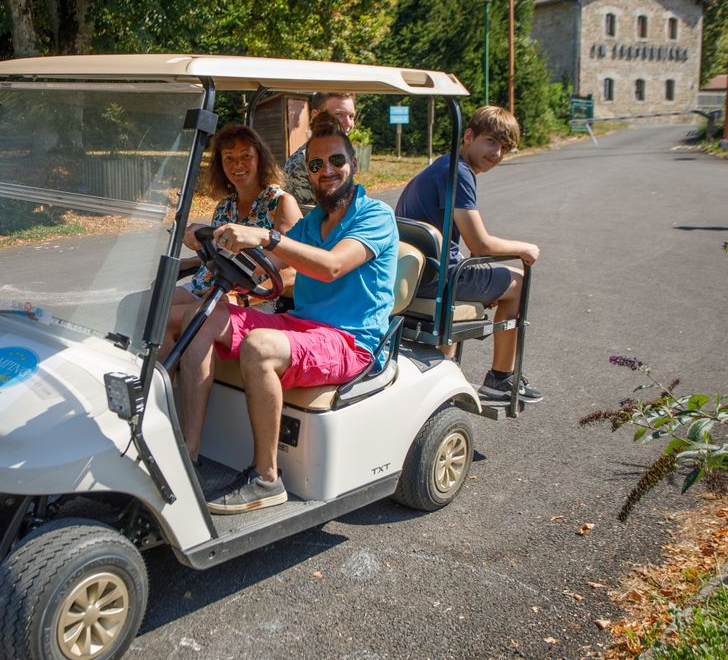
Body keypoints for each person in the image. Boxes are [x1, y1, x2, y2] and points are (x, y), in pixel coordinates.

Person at [180, 112, 398, 514]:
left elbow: (331, 266)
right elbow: (265, 262)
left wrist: (267, 235)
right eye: (316, 165)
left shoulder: (375, 216)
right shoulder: (313, 221)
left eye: (336, 161)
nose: (326, 171)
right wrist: (207, 239)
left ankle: (266, 478)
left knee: (260, 346)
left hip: (351, 340)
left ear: (353, 163)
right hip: (301, 325)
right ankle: (187, 457)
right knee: (202, 318)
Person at [394, 105, 542, 404]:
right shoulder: (458, 173)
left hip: (418, 273)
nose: (497, 153)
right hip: (439, 279)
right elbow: (481, 246)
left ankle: (445, 370)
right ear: (470, 136)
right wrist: (524, 248)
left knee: (491, 276)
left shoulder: (443, 166)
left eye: (504, 148)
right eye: (491, 142)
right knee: (519, 281)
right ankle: (501, 379)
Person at [164, 124, 302, 352]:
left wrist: (241, 298)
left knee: (164, 319)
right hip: (208, 286)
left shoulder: (280, 203)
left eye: (246, 156)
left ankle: (161, 382)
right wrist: (191, 260)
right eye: (229, 158)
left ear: (260, 158)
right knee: (140, 307)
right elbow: (226, 254)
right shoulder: (225, 206)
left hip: (250, 298)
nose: (237, 164)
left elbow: (294, 271)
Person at [283, 92, 356, 209]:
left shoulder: (343, 155)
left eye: (351, 116)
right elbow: (307, 217)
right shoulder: (302, 161)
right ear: (316, 115)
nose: (348, 124)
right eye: (338, 115)